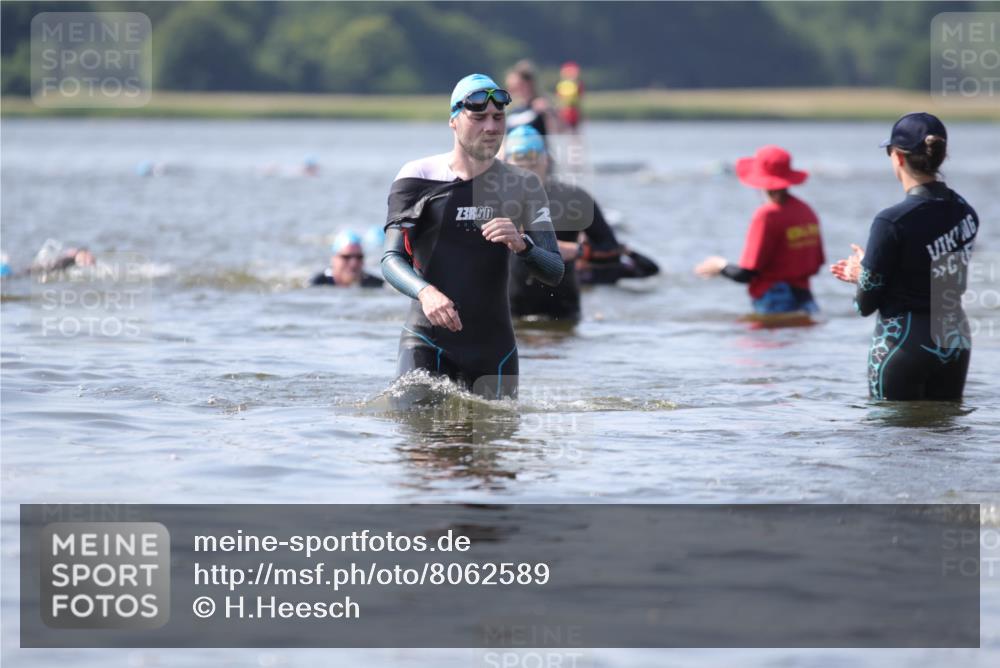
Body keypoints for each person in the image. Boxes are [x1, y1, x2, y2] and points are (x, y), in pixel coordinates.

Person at [380, 73, 564, 399]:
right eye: (478, 118)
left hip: (495, 352)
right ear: (453, 121)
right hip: (426, 341)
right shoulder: (418, 176)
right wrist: (426, 293)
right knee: (417, 431)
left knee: (494, 432)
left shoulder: (524, 184)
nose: (491, 127)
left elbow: (554, 270)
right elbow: (391, 259)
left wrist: (523, 245)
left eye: (498, 117)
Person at [831, 112, 978, 401]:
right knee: (946, 426)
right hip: (955, 337)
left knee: (890, 427)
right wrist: (872, 269)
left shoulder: (891, 221)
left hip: (903, 341)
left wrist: (862, 273)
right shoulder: (966, 212)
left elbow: (865, 304)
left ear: (898, 157)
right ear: (941, 155)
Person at [504, 126, 626, 321]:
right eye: (520, 165)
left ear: (547, 159)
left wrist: (578, 251)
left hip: (563, 311)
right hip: (511, 314)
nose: (527, 172)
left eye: (533, 164)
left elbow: (612, 251)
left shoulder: (574, 199)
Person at [695, 145, 824, 314]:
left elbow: (746, 274)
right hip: (805, 298)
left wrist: (719, 266)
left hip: (775, 299)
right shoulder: (805, 210)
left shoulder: (766, 215)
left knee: (760, 333)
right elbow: (817, 263)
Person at [504, 60, 560, 138]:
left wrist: (548, 114)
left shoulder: (542, 105)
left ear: (529, 83)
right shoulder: (511, 109)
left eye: (517, 86)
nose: (512, 90)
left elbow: (558, 131)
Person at [312, 230, 384, 287]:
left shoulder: (376, 284)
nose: (354, 263)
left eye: (359, 257)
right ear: (334, 259)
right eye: (346, 257)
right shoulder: (317, 283)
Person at [555, 61, 584, 132]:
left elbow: (579, 100)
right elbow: (559, 99)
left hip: (573, 111)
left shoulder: (577, 84)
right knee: (565, 130)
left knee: (573, 130)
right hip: (564, 111)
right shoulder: (562, 85)